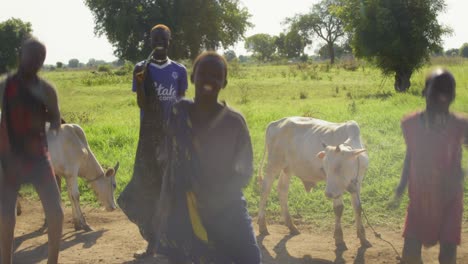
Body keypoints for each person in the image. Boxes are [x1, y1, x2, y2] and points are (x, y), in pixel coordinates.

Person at [155, 51, 262, 264]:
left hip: (227, 207)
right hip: (184, 206)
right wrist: (170, 200)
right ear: (193, 77)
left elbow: (245, 171)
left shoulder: (234, 122)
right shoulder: (178, 114)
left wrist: (215, 197)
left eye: (216, 75)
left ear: (225, 82)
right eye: (203, 73)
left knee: (250, 258)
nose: (209, 80)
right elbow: (166, 159)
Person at [117, 24, 188, 258]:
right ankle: (153, 244)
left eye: (163, 38)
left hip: (172, 140)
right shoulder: (141, 69)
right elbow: (142, 105)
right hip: (148, 140)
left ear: (170, 41)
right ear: (149, 42)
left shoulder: (179, 70)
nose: (159, 42)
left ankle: (175, 245)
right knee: (148, 191)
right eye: (155, 38)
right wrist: (140, 83)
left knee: (172, 192)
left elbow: (182, 107)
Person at [390, 68, 468, 264]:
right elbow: (411, 154)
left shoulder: (460, 125)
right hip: (419, 200)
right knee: (409, 255)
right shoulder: (411, 124)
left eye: (447, 91)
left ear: (453, 96)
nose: (442, 97)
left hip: (449, 200)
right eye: (437, 91)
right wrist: (400, 188)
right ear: (425, 92)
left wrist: (461, 174)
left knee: (448, 255)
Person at [0, 38, 64, 264]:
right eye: (31, 56)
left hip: (38, 158)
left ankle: (53, 261)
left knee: (56, 212)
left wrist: (49, 121)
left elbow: (56, 119)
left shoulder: (47, 90)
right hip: (9, 159)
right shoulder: (5, 87)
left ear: (42, 62)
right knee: (5, 215)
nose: (35, 62)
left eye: (39, 59)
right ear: (20, 55)